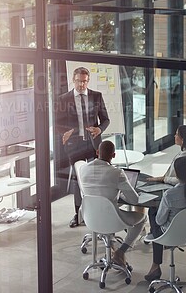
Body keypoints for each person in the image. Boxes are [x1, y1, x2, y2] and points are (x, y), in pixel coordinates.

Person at [56, 67, 110, 228]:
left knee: (96, 178)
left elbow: (105, 119)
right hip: (75, 145)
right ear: (74, 80)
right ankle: (78, 214)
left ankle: (97, 211)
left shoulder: (96, 96)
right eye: (79, 81)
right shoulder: (63, 99)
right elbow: (57, 123)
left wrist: (99, 129)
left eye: (85, 81)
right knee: (77, 180)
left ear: (88, 81)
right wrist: (63, 133)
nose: (82, 84)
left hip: (93, 143)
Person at [79, 140, 147, 267]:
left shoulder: (83, 169)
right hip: (111, 218)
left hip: (89, 216)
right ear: (114, 155)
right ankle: (120, 252)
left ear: (97, 152)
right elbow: (134, 200)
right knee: (142, 218)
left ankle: (113, 249)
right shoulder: (117, 173)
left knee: (110, 208)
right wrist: (120, 192)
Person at [144, 155, 186, 282]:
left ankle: (156, 265)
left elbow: (159, 221)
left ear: (176, 174)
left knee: (152, 212)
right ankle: (155, 262)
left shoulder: (169, 195)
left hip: (169, 234)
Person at [145, 125, 186, 237]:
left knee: (152, 209)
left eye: (176, 134)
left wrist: (164, 179)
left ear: (183, 139)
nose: (174, 136)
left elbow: (178, 180)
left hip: (171, 188)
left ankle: (155, 235)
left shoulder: (185, 156)